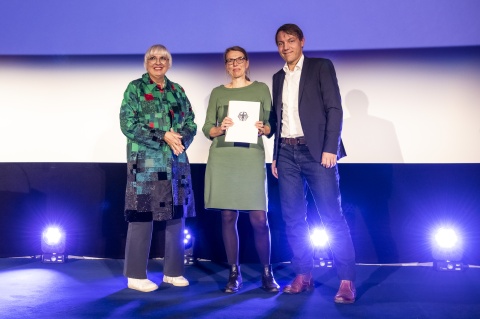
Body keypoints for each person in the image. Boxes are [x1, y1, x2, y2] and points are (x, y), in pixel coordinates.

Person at [270, 24, 357, 303]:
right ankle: (303, 275)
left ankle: (346, 281)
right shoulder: (277, 77)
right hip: (285, 152)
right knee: (293, 218)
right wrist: (273, 152)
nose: (286, 47)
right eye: (281, 43)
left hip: (317, 152)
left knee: (332, 216)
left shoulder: (321, 66)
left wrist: (330, 148)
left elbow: (334, 108)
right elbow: (279, 119)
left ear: (302, 42)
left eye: (291, 41)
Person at [120, 44, 197, 292]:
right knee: (141, 216)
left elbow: (191, 123)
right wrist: (162, 135)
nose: (158, 62)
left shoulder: (178, 90)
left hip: (175, 163)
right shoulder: (135, 88)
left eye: (163, 58)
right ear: (146, 63)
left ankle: (173, 272)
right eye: (153, 58)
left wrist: (179, 138)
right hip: (145, 165)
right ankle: (135, 275)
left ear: (169, 63)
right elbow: (128, 124)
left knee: (176, 216)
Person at [202, 46, 279, 293]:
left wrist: (263, 128)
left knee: (259, 218)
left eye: (239, 60)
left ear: (247, 63)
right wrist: (219, 128)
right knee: (227, 216)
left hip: (250, 157)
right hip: (224, 157)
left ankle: (267, 272)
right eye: (230, 61)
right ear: (226, 65)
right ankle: (234, 273)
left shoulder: (261, 89)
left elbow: (271, 127)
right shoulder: (217, 92)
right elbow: (207, 129)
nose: (235, 64)